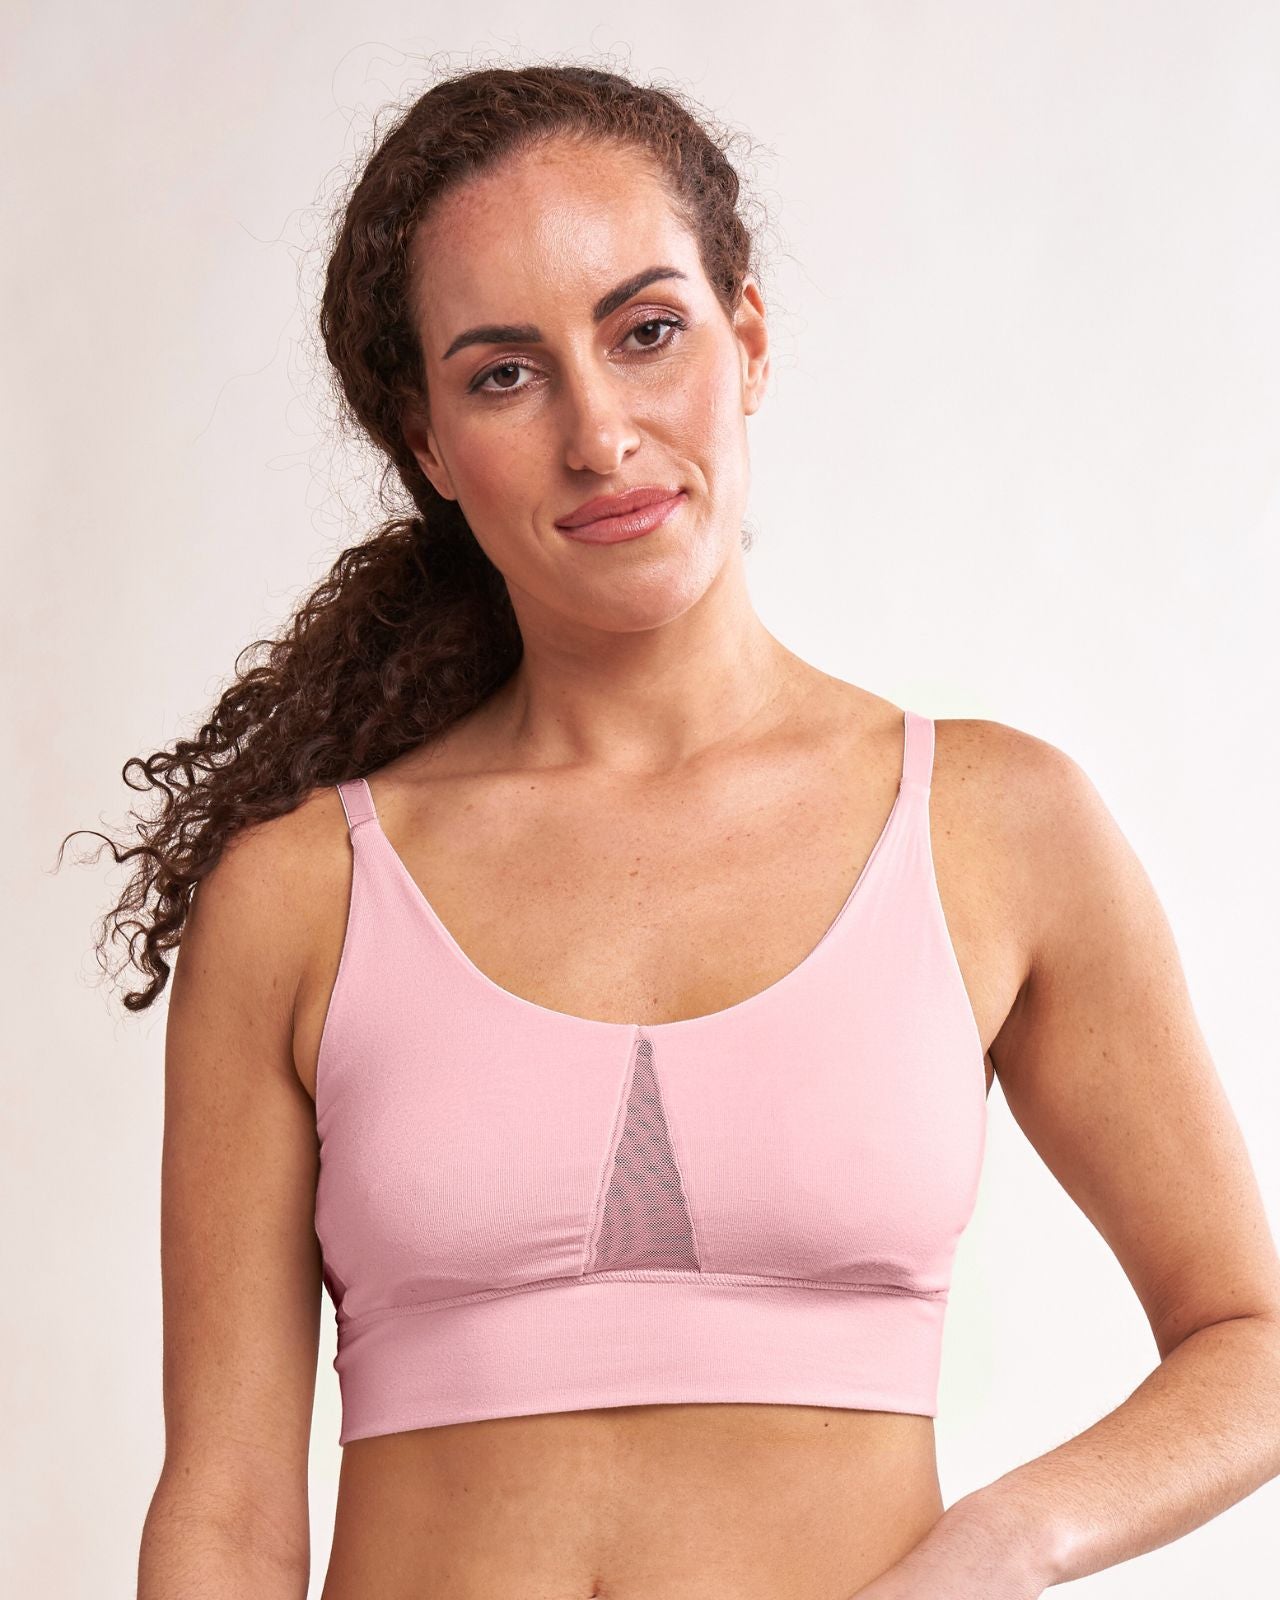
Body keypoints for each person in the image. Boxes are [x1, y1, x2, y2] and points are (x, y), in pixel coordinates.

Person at [75, 61, 1279, 1600]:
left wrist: (996, 1546)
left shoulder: (992, 829)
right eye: (503, 376)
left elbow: (1251, 1339)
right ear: (428, 444)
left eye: (646, 332)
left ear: (748, 338)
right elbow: (229, 1510)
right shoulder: (304, 892)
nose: (600, 434)